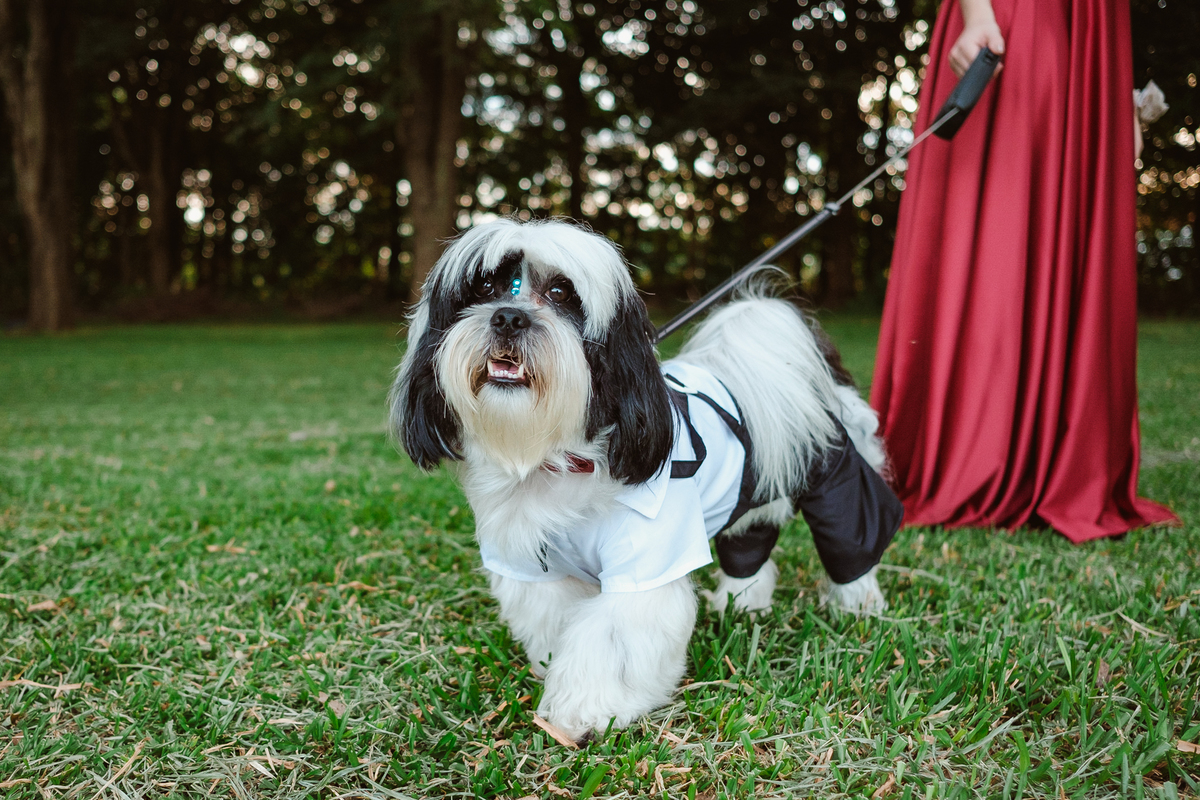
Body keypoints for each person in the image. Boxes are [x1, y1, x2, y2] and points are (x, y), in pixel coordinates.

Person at [869, 0, 1179, 541]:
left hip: (1093, 39)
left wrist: (1122, 94)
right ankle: (973, 448)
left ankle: (1058, 462)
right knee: (996, 230)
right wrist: (977, 13)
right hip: (1013, 20)